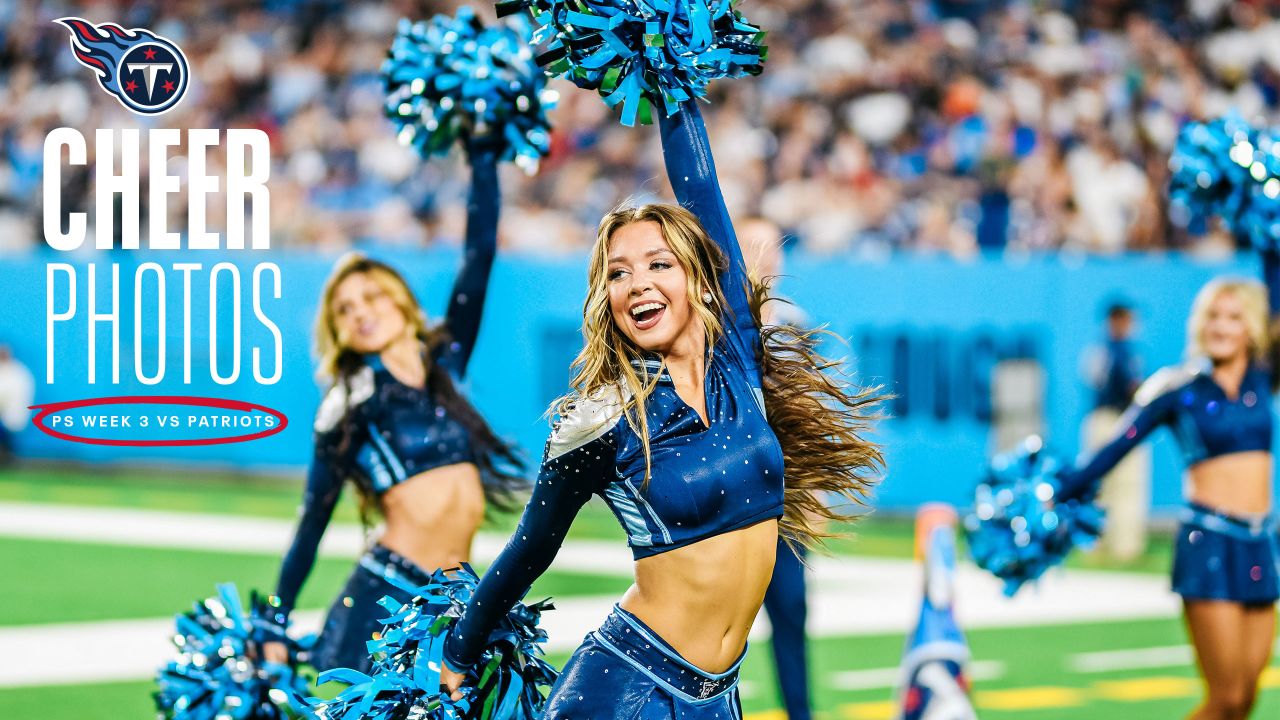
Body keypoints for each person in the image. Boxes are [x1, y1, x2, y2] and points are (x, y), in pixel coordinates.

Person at [438, 100, 882, 718]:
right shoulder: (599, 421)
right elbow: (528, 550)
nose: (638, 282)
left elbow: (699, 184)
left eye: (658, 264)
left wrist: (668, 70)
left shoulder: (738, 360)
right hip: (626, 688)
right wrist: (457, 652)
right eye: (617, 274)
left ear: (701, 279)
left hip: (717, 697)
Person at [264, 142, 524, 672]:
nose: (361, 313)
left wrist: (481, 159)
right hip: (386, 601)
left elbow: (479, 256)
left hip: (454, 604)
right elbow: (313, 517)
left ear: (401, 301)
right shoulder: (349, 402)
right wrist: (276, 616)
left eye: (372, 297)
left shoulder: (445, 364)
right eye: (345, 310)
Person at [1054, 259, 1280, 720]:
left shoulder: (1263, 378)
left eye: (1234, 317)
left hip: (1261, 545)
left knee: (1247, 700)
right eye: (1213, 316)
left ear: (1252, 326)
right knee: (1226, 698)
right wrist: (1057, 492)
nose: (1221, 326)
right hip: (1210, 542)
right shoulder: (1176, 388)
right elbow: (1115, 447)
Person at [740, 217, 814, 720]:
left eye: (775, 246)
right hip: (730, 495)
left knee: (791, 611)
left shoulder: (793, 319)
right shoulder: (711, 318)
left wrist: (817, 494)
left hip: (785, 498)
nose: (769, 256)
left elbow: (810, 416)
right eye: (756, 245)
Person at [1079, 301, 1150, 562]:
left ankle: (1096, 542)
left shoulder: (1097, 350)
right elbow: (1133, 387)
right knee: (1124, 484)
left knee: (1099, 484)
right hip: (1120, 418)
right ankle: (1122, 546)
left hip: (1101, 418)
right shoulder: (1123, 352)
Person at [0, 344, 34, 465]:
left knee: (6, 437)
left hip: (10, 415)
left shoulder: (17, 373)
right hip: (6, 415)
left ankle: (7, 457)